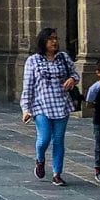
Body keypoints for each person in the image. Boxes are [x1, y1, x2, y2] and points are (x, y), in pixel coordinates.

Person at [20, 27, 79, 185]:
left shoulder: (63, 58)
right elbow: (28, 86)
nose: (54, 41)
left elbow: (75, 74)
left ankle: (57, 173)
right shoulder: (33, 61)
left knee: (59, 140)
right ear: (43, 41)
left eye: (56, 38)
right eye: (50, 39)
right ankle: (40, 159)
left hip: (61, 104)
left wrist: (72, 80)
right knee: (44, 138)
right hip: (40, 105)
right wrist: (26, 109)